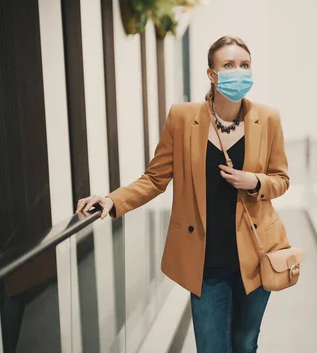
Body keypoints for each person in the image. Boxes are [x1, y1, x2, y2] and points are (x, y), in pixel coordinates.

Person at [77, 35, 290, 353]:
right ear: (211, 74)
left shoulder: (268, 118)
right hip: (206, 260)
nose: (238, 71)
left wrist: (255, 182)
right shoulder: (182, 118)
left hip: (257, 254)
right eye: (228, 65)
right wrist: (111, 200)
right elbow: (154, 179)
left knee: (245, 343)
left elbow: (281, 179)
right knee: (211, 348)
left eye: (244, 65)